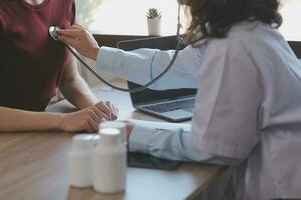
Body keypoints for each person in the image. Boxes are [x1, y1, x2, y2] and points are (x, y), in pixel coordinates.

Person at [57, 0, 301, 199]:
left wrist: (135, 134)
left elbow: (215, 148)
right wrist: (98, 53)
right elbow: (170, 67)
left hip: (281, 184)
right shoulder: (252, 30)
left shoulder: (233, 46)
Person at [0, 0, 118, 139]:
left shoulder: (64, 3)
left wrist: (94, 109)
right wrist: (62, 121)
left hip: (38, 133)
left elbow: (69, 80)